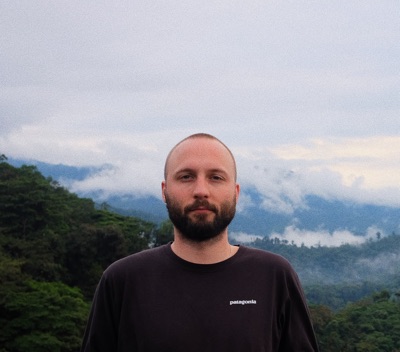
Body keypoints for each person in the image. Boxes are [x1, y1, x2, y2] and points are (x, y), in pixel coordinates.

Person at [81, 133, 319, 351]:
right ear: (165, 191)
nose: (201, 190)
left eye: (216, 177)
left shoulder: (274, 276)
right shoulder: (122, 281)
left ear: (235, 192)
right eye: (186, 177)